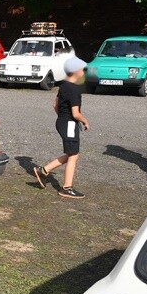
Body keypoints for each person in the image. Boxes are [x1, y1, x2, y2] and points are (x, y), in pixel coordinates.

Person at [33, 57, 90, 199]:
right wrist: (85, 121)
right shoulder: (75, 89)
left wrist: (62, 117)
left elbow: (55, 105)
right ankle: (66, 188)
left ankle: (44, 170)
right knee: (73, 155)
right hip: (70, 123)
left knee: (72, 153)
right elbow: (76, 114)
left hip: (63, 121)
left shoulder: (64, 84)